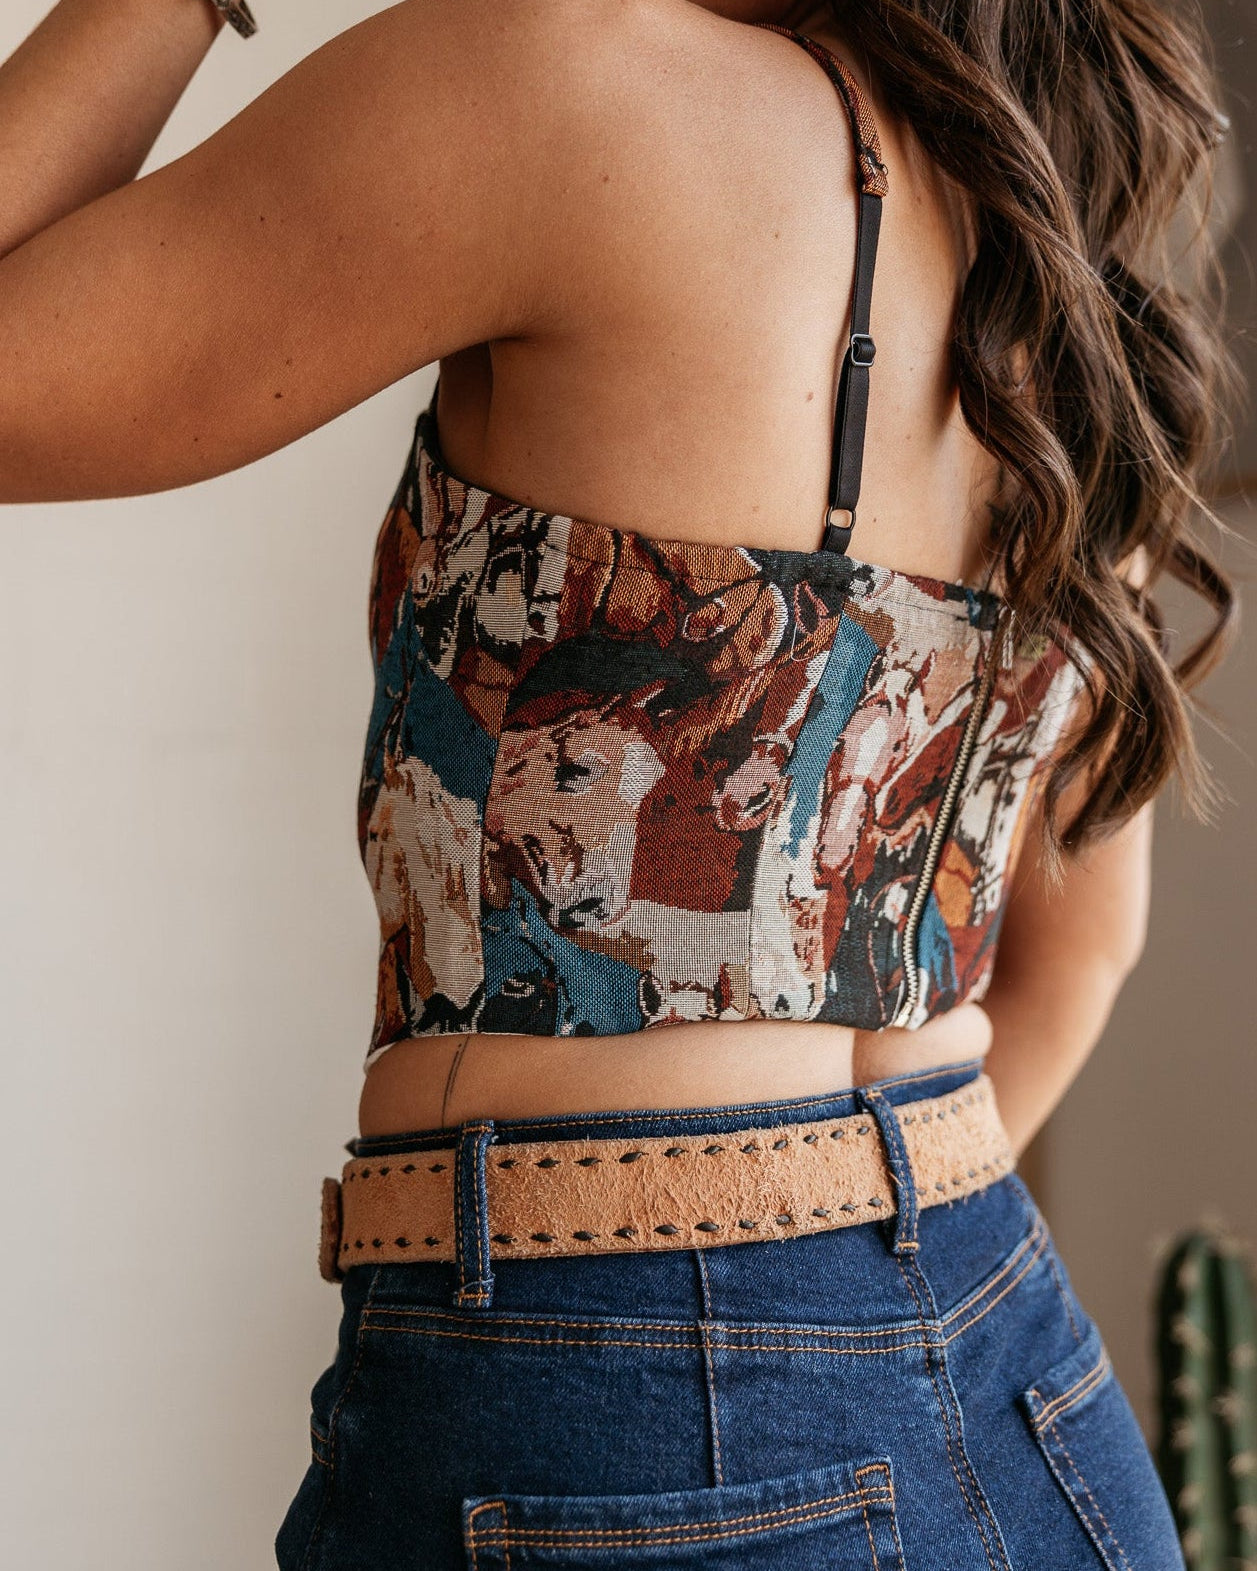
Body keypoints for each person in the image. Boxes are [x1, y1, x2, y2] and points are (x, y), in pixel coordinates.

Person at [0, 0, 1238, 1566]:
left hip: (623, 1418)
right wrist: (841, 1278)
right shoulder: (1067, 285)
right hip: (1022, 1394)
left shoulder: (560, 85)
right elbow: (1082, 946)